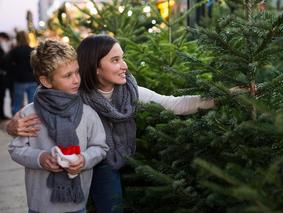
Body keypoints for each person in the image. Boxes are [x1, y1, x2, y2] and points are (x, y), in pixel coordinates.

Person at [7, 34, 215, 213]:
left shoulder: (129, 91)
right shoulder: (75, 94)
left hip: (120, 155)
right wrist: (11, 126)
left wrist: (221, 97)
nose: (124, 66)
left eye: (122, 58)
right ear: (96, 68)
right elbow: (46, 100)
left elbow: (174, 104)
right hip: (95, 164)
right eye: (115, 60)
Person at [8, 39, 109, 213]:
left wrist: (83, 159)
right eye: (67, 75)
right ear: (46, 81)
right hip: (40, 205)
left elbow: (100, 147)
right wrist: (41, 158)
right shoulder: (29, 114)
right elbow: (16, 149)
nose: (76, 79)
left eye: (77, 72)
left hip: (77, 205)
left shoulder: (87, 112)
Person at [6, 30, 38, 115]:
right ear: (27, 38)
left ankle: (17, 125)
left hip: (19, 80)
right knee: (33, 105)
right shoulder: (32, 50)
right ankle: (32, 125)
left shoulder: (14, 51)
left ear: (17, 39)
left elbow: (6, 65)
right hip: (32, 80)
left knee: (17, 105)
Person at [0, 32, 11, 120]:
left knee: (2, 96)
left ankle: (2, 114)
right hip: (1, 77)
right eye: (5, 40)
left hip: (2, 78)